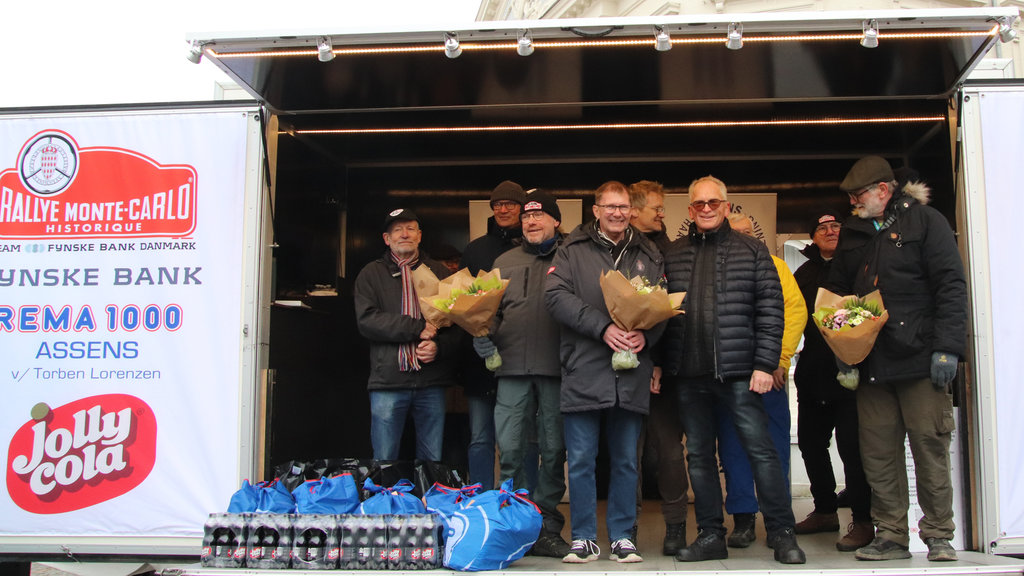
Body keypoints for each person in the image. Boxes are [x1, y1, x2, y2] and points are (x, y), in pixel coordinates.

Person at [826, 156, 967, 562]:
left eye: (859, 195)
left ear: (883, 191)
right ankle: (891, 536)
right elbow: (835, 295)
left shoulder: (926, 222)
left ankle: (939, 535)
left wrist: (948, 348)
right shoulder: (852, 233)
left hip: (922, 359)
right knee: (879, 453)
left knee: (929, 447)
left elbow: (951, 286)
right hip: (871, 364)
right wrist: (843, 349)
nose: (854, 203)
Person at [661, 175, 806, 565]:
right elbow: (660, 315)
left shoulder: (754, 251)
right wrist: (662, 365)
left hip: (743, 374)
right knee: (701, 459)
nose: (706, 209)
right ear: (690, 210)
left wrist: (765, 364)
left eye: (713, 202)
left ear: (727, 207)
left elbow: (772, 311)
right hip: (690, 375)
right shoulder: (672, 255)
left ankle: (781, 532)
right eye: (698, 204)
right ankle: (711, 535)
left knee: (762, 453)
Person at [545, 180, 665, 564]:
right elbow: (555, 297)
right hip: (584, 368)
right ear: (595, 210)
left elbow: (663, 304)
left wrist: (648, 334)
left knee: (627, 459)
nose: (617, 213)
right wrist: (603, 327)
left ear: (631, 210)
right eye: (609, 206)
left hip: (631, 371)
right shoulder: (571, 250)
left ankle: (622, 536)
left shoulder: (649, 252)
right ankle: (583, 538)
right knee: (580, 459)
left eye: (624, 206)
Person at [473, 190, 571, 558]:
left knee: (553, 448)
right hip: (511, 368)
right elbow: (486, 311)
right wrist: (481, 336)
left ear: (555, 221)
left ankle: (547, 527)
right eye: (527, 216)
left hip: (556, 369)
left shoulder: (572, 256)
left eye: (540, 215)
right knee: (510, 448)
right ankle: (514, 524)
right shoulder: (504, 259)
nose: (531, 221)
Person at [714, 213, 806, 548]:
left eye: (746, 233)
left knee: (775, 447)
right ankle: (742, 518)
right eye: (733, 232)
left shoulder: (777, 268)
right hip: (730, 376)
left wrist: (778, 361)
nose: (740, 238)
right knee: (733, 447)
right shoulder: (714, 267)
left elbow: (795, 313)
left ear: (757, 235)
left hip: (770, 375)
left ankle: (778, 521)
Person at [792, 209, 874, 551]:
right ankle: (824, 509)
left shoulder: (862, 266)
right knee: (811, 443)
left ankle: (863, 519)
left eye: (835, 225)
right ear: (813, 237)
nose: (829, 231)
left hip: (853, 372)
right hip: (813, 371)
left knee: (853, 449)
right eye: (822, 227)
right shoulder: (804, 273)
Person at [354, 208, 458, 461]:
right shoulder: (371, 274)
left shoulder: (440, 273)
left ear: (419, 236)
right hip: (388, 381)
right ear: (386, 238)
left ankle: (425, 501)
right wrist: (416, 327)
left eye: (410, 228)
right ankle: (385, 500)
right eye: (397, 230)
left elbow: (458, 325)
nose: (404, 234)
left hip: (431, 382)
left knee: (432, 459)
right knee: (385, 458)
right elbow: (367, 321)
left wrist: (439, 347)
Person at [628, 180, 689, 555]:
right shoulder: (612, 250)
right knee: (624, 454)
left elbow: (675, 314)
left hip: (661, 371)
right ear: (634, 210)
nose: (663, 214)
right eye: (657, 208)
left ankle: (676, 527)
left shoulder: (671, 251)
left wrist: (659, 362)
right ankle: (625, 529)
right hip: (619, 368)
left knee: (668, 450)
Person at [459, 180, 527, 489]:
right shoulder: (476, 249)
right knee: (479, 437)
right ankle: (480, 500)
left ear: (523, 208)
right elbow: (459, 299)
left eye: (510, 204)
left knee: (521, 439)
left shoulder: (531, 245)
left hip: (520, 360)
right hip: (479, 359)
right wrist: (477, 333)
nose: (503, 209)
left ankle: (518, 502)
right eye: (497, 204)